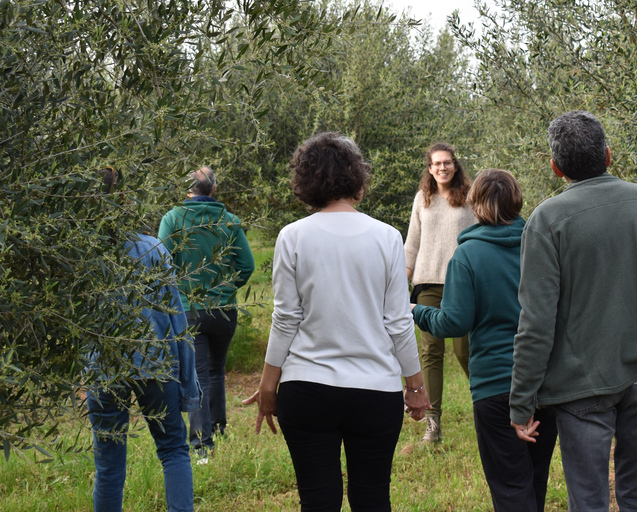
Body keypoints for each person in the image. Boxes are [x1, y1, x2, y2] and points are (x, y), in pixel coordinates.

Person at [508, 111, 637, 511]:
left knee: (589, 500)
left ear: (555, 167)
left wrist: (522, 401)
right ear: (609, 155)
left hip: (580, 383)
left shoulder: (546, 220)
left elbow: (536, 321)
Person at [243, 132, 430, 512]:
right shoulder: (387, 238)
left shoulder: (292, 236)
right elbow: (397, 321)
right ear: (357, 178)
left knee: (317, 500)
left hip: (307, 389)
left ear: (305, 181)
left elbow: (285, 319)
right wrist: (414, 386)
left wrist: (268, 385)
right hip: (375, 390)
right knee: (373, 497)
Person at [412, 170, 557, 512]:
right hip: (545, 381)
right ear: (517, 201)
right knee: (536, 479)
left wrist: (416, 311)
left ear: (476, 206)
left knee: (509, 486)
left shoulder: (467, 256)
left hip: (495, 386)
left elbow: (453, 321)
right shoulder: (541, 245)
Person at [88, 167, 200, 512]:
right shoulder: (152, 248)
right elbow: (175, 317)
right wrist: (188, 381)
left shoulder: (81, 255)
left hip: (103, 367)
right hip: (154, 362)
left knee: (108, 463)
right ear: (124, 200)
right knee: (173, 449)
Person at [158, 166, 255, 457]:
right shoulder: (230, 221)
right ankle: (218, 428)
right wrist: (226, 289)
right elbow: (247, 266)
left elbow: (162, 264)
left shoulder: (173, 219)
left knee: (197, 373)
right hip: (224, 311)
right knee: (216, 370)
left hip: (189, 309)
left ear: (188, 190)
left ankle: (201, 446)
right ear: (214, 190)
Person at [403, 142, 476, 443]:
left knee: (465, 350)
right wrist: (400, 282)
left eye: (447, 163)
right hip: (427, 284)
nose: (442, 168)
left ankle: (498, 404)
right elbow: (412, 244)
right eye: (436, 164)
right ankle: (433, 424)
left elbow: (478, 239)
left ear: (455, 166)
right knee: (431, 352)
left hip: (461, 283)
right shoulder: (423, 198)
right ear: (430, 169)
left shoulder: (470, 198)